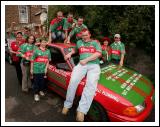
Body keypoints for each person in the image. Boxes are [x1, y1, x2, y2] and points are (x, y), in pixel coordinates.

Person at [62, 29, 102, 122]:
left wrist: (86, 60)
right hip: (81, 65)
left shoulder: (95, 42)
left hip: (94, 65)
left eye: (86, 35)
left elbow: (98, 53)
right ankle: (67, 105)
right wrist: (69, 54)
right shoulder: (79, 42)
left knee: (90, 86)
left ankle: (81, 111)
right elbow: (75, 49)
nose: (84, 37)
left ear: (90, 35)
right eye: (83, 35)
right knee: (72, 82)